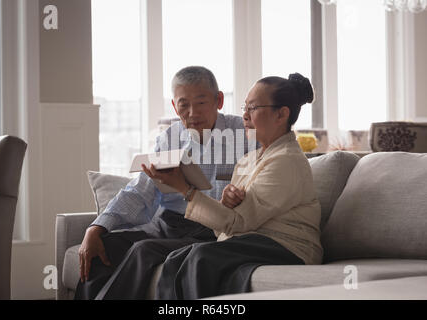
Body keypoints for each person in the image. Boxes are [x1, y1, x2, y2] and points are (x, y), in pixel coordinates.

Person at [74, 66, 255, 300]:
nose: (192, 113)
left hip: (210, 230)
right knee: (103, 246)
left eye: (201, 103)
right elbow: (140, 191)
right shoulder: (170, 137)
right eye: (184, 105)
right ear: (174, 106)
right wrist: (95, 228)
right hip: (168, 224)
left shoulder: (244, 133)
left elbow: (259, 186)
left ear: (218, 100)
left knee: (143, 250)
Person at [143, 73, 324, 299]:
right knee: (178, 257)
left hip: (287, 246)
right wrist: (226, 202)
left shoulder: (287, 161)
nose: (244, 116)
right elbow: (224, 226)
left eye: (253, 108)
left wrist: (185, 189)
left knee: (201, 257)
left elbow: (237, 223)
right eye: (244, 107)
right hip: (248, 239)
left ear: (281, 114)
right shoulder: (248, 160)